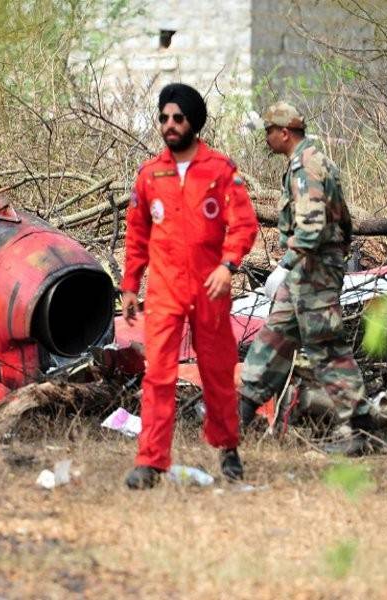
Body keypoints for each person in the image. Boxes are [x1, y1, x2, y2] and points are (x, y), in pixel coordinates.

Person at [121, 83, 259, 489]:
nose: (170, 125)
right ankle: (150, 462)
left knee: (217, 373)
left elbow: (244, 225)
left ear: (193, 122)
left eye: (178, 118)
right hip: (164, 291)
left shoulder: (219, 169)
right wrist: (130, 286)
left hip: (209, 290)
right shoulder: (150, 174)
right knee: (158, 375)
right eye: (164, 118)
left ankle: (228, 448)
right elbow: (136, 234)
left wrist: (228, 266)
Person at [238, 102, 369, 452]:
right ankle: (237, 417)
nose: (265, 138)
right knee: (274, 336)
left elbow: (311, 230)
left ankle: (361, 430)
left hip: (315, 271)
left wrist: (284, 265)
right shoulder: (305, 163)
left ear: (284, 133)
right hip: (305, 272)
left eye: (268, 131)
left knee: (325, 347)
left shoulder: (307, 167)